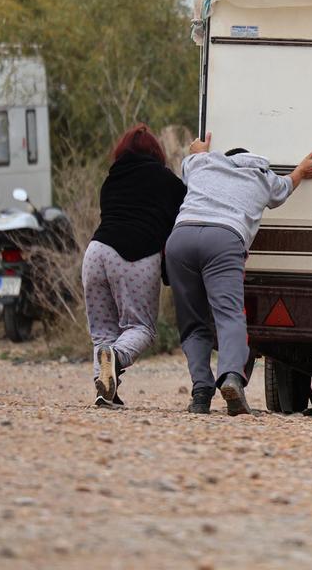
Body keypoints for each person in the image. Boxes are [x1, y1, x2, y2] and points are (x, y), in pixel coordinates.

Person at [167, 135, 312, 416]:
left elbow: (191, 158)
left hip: (180, 239)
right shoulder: (262, 177)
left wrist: (199, 151)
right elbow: (286, 186)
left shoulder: (203, 165)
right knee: (229, 315)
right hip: (223, 238)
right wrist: (302, 171)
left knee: (193, 323)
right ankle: (231, 377)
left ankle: (200, 391)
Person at [84, 124, 187, 408]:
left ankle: (105, 392)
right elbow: (177, 224)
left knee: (103, 332)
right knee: (140, 327)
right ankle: (115, 360)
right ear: (156, 152)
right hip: (135, 257)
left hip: (95, 253)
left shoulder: (111, 180)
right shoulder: (168, 182)